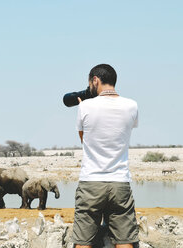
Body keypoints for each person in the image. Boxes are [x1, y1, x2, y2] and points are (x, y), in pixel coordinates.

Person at [72, 64, 139, 248]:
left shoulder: (85, 106)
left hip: (91, 181)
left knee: (83, 241)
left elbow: (84, 139)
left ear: (95, 80)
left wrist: (85, 106)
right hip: (120, 181)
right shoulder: (131, 105)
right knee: (125, 240)